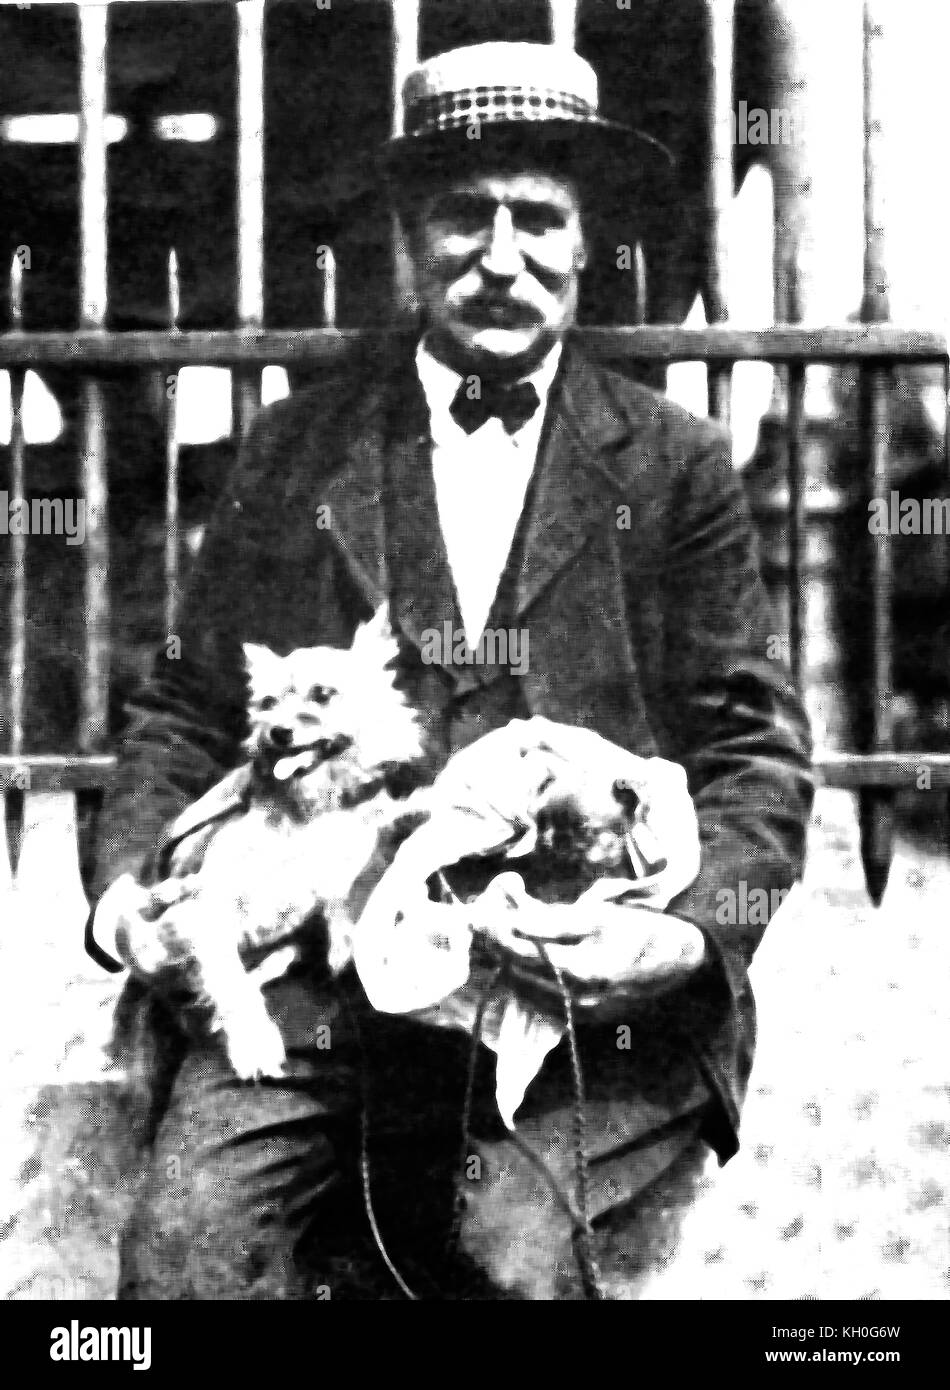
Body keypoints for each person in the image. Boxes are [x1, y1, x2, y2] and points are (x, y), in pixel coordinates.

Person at [89, 41, 813, 1300]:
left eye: (537, 219)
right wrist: (122, 900)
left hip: (587, 994)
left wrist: (683, 941)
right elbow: (184, 705)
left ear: (587, 245)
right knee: (182, 1258)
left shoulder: (672, 465)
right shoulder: (297, 448)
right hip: (321, 987)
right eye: (461, 216)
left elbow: (753, 749)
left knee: (508, 1264)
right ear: (403, 237)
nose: (499, 256)